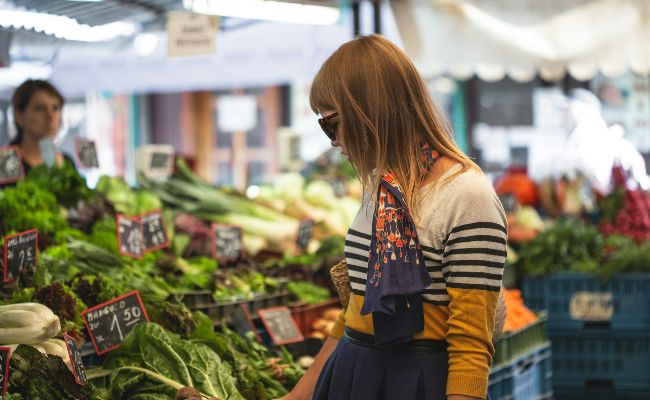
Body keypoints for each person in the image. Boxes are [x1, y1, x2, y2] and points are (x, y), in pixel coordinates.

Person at [282, 35, 506, 400]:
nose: (334, 141)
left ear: (369, 112)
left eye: (331, 124)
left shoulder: (467, 196)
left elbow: (470, 346)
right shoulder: (383, 187)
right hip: (352, 373)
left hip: (417, 381)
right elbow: (354, 311)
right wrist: (297, 396)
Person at [7, 79, 71, 177]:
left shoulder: (67, 163)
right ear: (19, 116)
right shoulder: (6, 162)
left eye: (55, 108)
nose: (50, 116)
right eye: (40, 109)